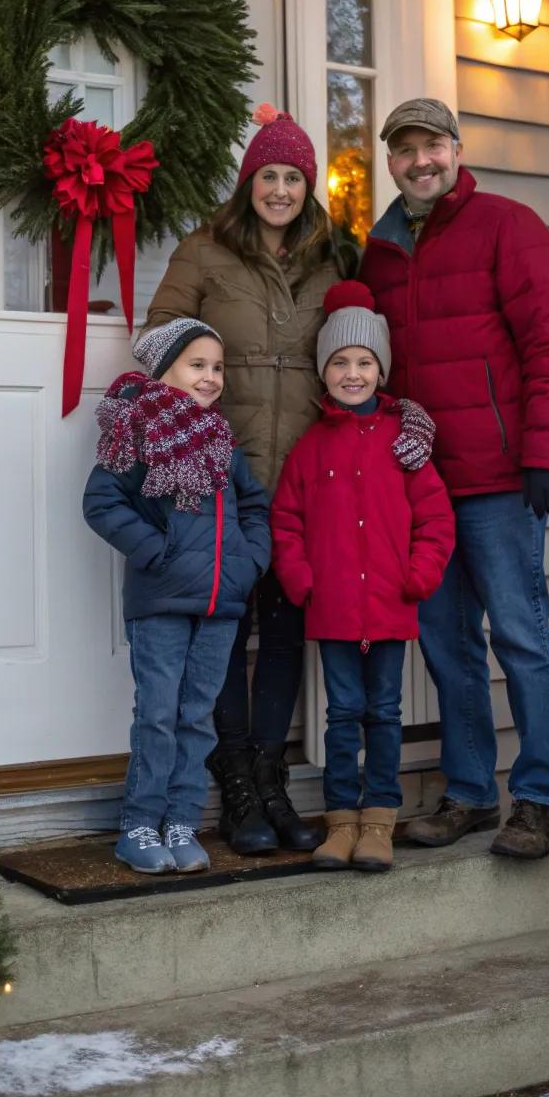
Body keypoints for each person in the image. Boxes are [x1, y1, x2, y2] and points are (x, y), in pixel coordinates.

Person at [143, 105, 435, 855]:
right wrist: (186, 410)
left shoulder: (332, 258)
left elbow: (360, 352)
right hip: (221, 473)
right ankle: (236, 779)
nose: (280, 190)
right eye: (268, 175)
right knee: (223, 630)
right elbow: (158, 339)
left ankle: (272, 777)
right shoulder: (205, 251)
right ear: (249, 182)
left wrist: (403, 415)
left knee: (282, 634)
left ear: (309, 188)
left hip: (307, 476)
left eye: (293, 178)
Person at [361, 98, 549, 861]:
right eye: (404, 150)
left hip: (499, 478)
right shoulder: (380, 251)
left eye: (432, 145)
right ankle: (469, 793)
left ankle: (541, 798)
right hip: (423, 484)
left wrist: (548, 452)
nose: (420, 160)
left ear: (455, 150)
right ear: (390, 162)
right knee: (447, 644)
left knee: (520, 635)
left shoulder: (506, 226)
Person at [271, 283, 454, 871]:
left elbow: (435, 518)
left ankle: (379, 821)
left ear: (381, 370)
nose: (353, 374)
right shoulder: (311, 447)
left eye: (365, 362)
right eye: (340, 363)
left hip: (391, 605)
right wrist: (301, 580)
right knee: (342, 714)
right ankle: (341, 821)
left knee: (385, 713)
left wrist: (419, 575)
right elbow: (286, 520)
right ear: (324, 372)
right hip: (333, 607)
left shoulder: (405, 444)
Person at [83, 318, 271, 875]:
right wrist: (155, 551)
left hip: (220, 604)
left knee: (197, 716)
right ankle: (139, 825)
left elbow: (254, 506)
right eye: (197, 365)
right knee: (159, 714)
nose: (210, 377)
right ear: (164, 370)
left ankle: (182, 822)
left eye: (217, 367)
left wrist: (249, 563)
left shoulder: (222, 441)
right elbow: (101, 502)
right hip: (162, 602)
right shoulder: (138, 430)